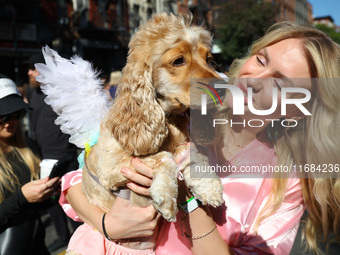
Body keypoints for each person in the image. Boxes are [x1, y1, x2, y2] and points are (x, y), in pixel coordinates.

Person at [61, 21, 340, 255]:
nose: (254, 78)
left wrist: (190, 200)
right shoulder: (185, 108)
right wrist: (108, 224)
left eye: (279, 83)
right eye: (260, 59)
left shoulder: (288, 181)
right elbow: (76, 181)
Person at [25, 53, 82, 252]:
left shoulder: (62, 92)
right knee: (51, 203)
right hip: (43, 157)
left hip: (65, 159)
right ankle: (62, 236)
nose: (29, 72)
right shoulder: (33, 93)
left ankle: (79, 239)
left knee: (73, 200)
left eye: (33, 67)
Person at [0, 78, 60, 254]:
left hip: (35, 243)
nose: (11, 121)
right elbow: (22, 201)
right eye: (3, 115)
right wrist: (22, 198)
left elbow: (34, 207)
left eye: (16, 114)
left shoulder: (29, 148)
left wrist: (51, 193)